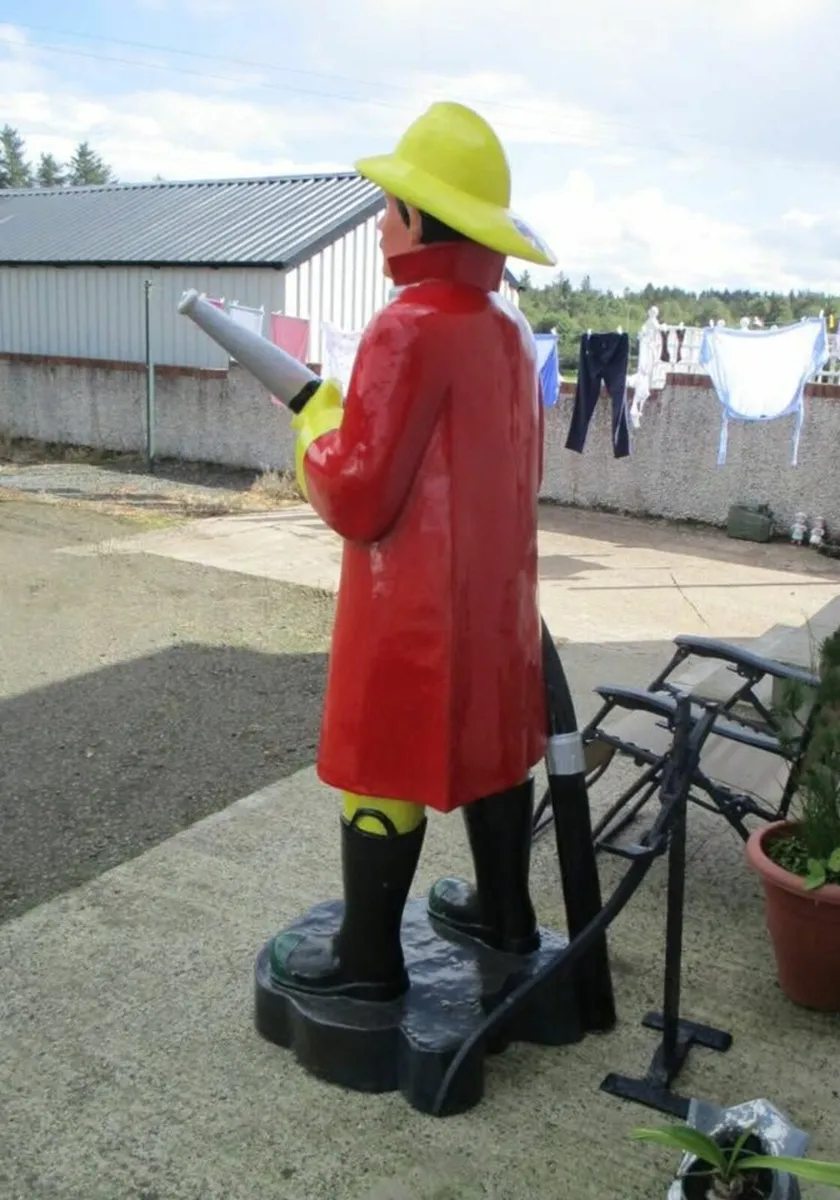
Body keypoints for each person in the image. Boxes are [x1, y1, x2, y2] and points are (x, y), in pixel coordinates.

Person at [269, 100, 557, 1003]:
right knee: (494, 751)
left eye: (390, 208)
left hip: (410, 607)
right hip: (497, 602)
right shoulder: (510, 333)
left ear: (422, 219)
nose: (381, 226)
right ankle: (506, 916)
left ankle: (367, 957)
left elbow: (359, 495)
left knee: (383, 761)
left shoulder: (405, 325)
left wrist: (315, 429)